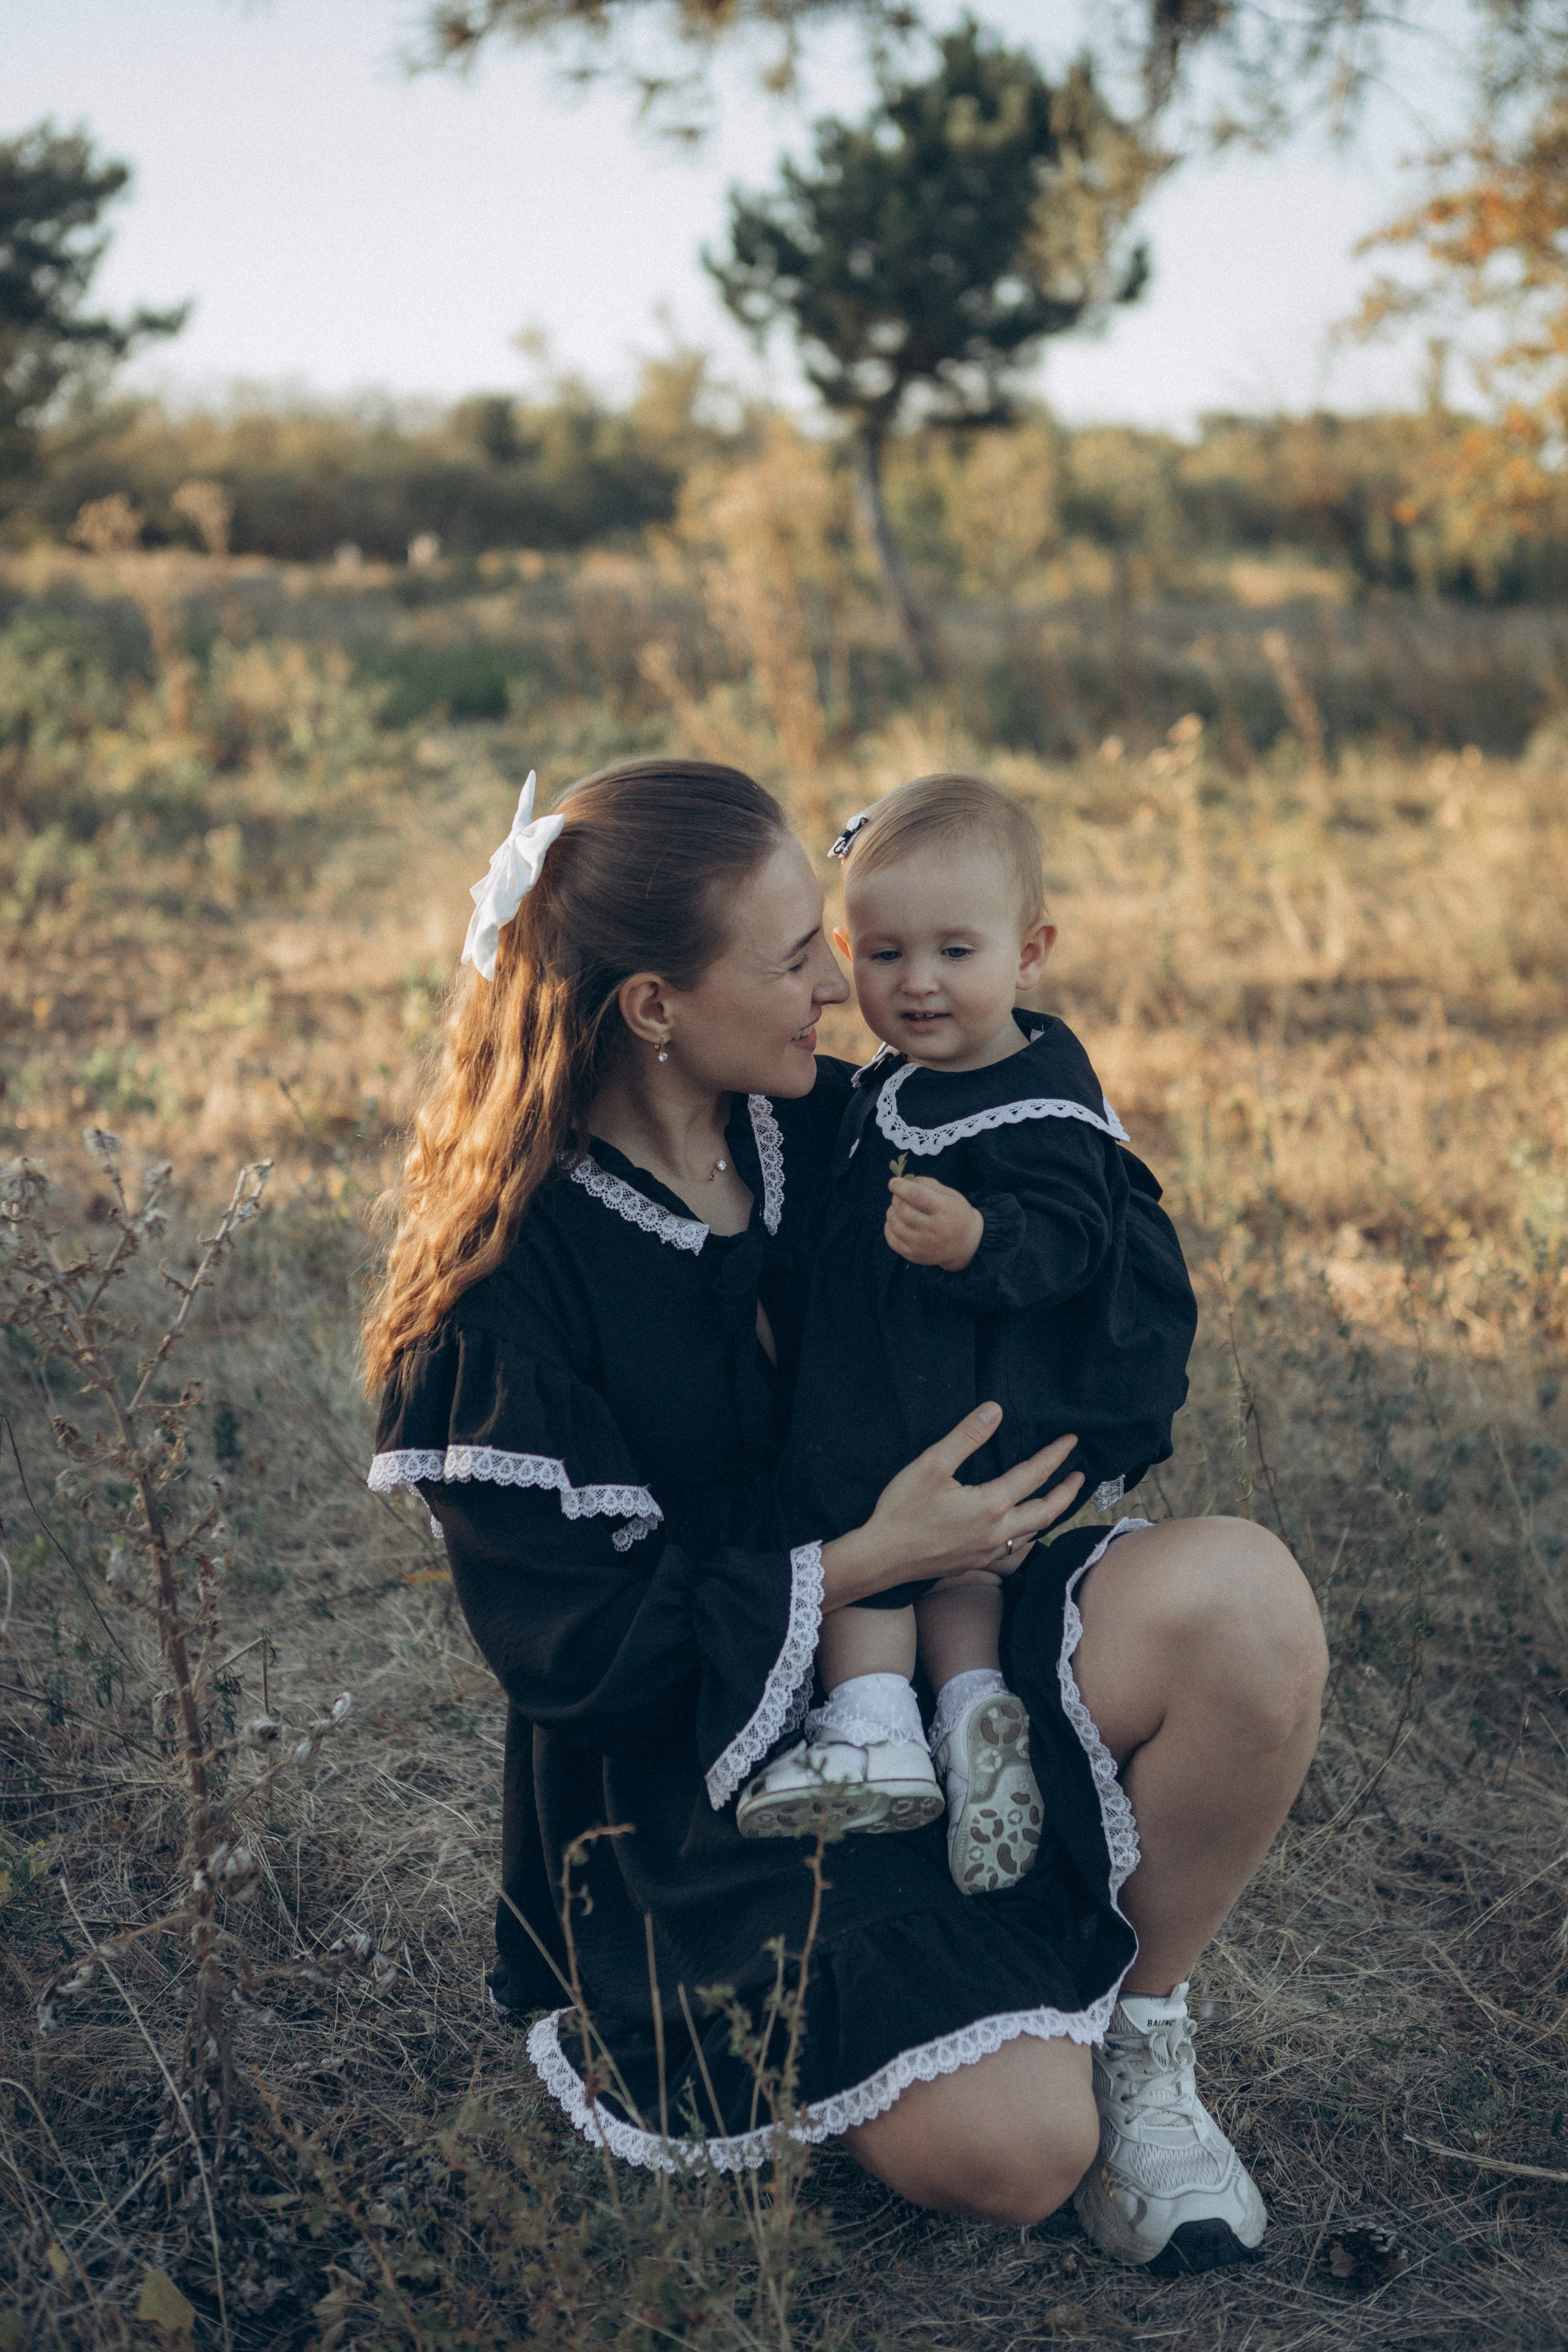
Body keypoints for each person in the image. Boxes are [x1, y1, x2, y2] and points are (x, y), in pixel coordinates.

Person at [363, 756, 1327, 2275]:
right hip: (707, 1774)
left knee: (1244, 1606)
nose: (839, 983)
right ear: (654, 1007)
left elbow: (1085, 1263)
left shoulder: (839, 1125)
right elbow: (579, 1651)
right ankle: (998, 2011)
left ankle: (1142, 2026)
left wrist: (1017, 1447)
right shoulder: (512, 1284)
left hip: (948, 1627)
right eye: (793, 956)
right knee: (1020, 2151)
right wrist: (870, 1555)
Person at [736, 776, 1197, 1904]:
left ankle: (870, 1727)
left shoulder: (1037, 1095)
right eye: (885, 954)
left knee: (855, 1517)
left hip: (943, 1388)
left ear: (1029, 954)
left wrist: (980, 1237)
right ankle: (976, 1715)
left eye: (956, 951)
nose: (919, 982)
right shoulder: (909, 1073)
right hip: (920, 1377)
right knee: (953, 1570)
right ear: (846, 953)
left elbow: (1076, 1235)